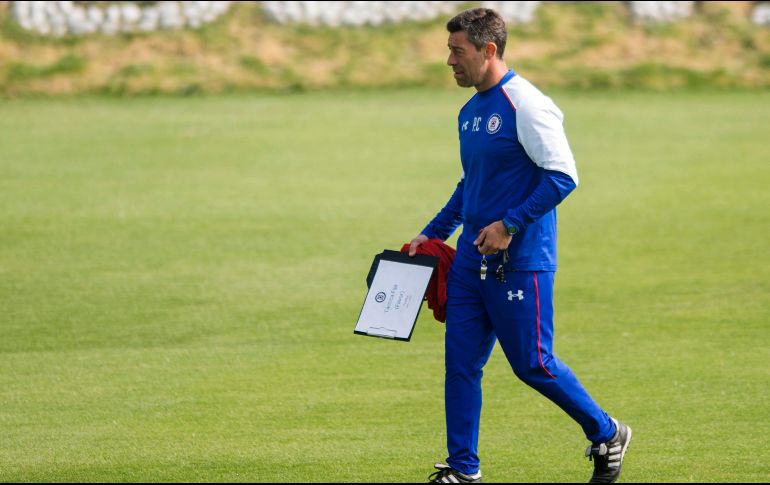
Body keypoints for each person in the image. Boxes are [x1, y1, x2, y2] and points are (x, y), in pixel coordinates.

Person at [408, 8, 632, 484]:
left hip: (520, 262)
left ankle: (607, 431)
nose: (449, 60)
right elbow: (471, 184)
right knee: (460, 365)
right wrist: (433, 233)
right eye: (448, 50)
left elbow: (563, 176)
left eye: (457, 51)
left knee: (533, 363)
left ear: (488, 50)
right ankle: (463, 469)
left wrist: (510, 224)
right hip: (471, 260)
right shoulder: (470, 111)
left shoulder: (526, 105)